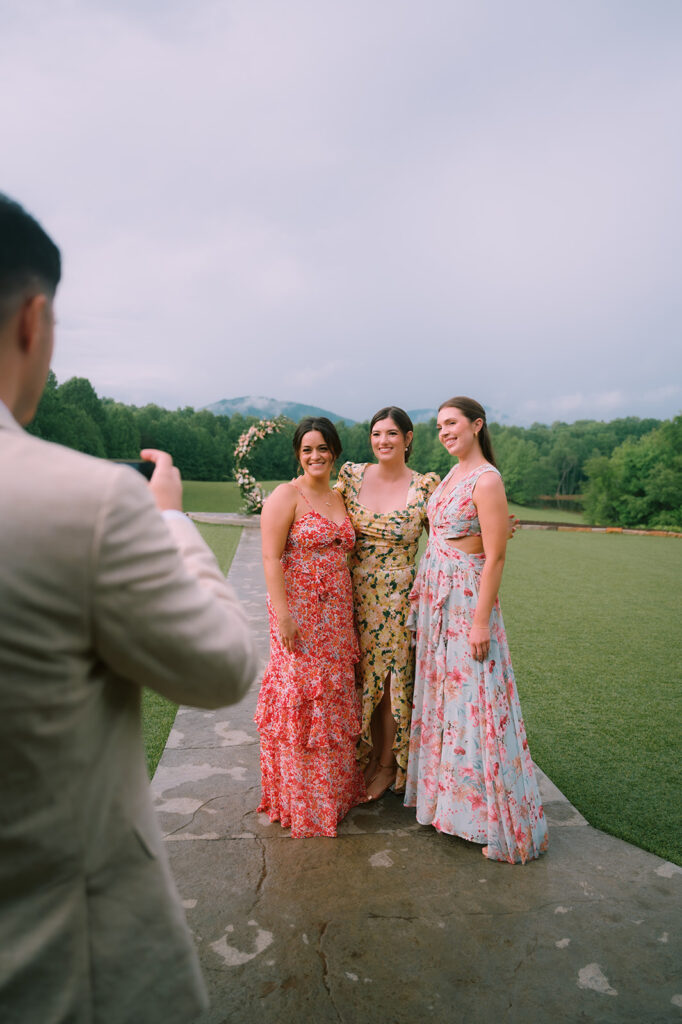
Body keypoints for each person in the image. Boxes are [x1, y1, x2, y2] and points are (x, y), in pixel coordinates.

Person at [0, 194, 258, 1023]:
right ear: (32, 320)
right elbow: (219, 666)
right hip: (64, 970)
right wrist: (171, 519)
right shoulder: (91, 502)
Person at [404, 396, 548, 863]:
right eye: (439, 425)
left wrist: (481, 620)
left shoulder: (487, 479)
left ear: (476, 425)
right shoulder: (451, 474)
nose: (444, 431)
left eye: (452, 423)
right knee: (449, 701)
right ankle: (452, 808)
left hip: (467, 601)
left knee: (479, 700)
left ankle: (498, 822)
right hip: (438, 602)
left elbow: (495, 555)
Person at [255, 417, 366, 837]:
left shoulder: (340, 497)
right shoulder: (288, 494)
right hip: (298, 613)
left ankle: (332, 794)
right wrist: (283, 614)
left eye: (322, 448)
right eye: (307, 450)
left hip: (337, 614)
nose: (315, 456)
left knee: (334, 696)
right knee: (301, 698)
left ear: (334, 452)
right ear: (298, 455)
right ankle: (302, 800)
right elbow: (270, 558)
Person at [335, 407, 439, 800]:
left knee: (391, 683)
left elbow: (445, 533)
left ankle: (386, 766)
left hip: (399, 597)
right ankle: (365, 756)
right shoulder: (351, 476)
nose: (383, 441)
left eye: (392, 434)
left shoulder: (425, 486)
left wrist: (490, 534)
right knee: (363, 682)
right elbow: (324, 510)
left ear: (408, 439)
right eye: (377, 434)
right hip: (353, 594)